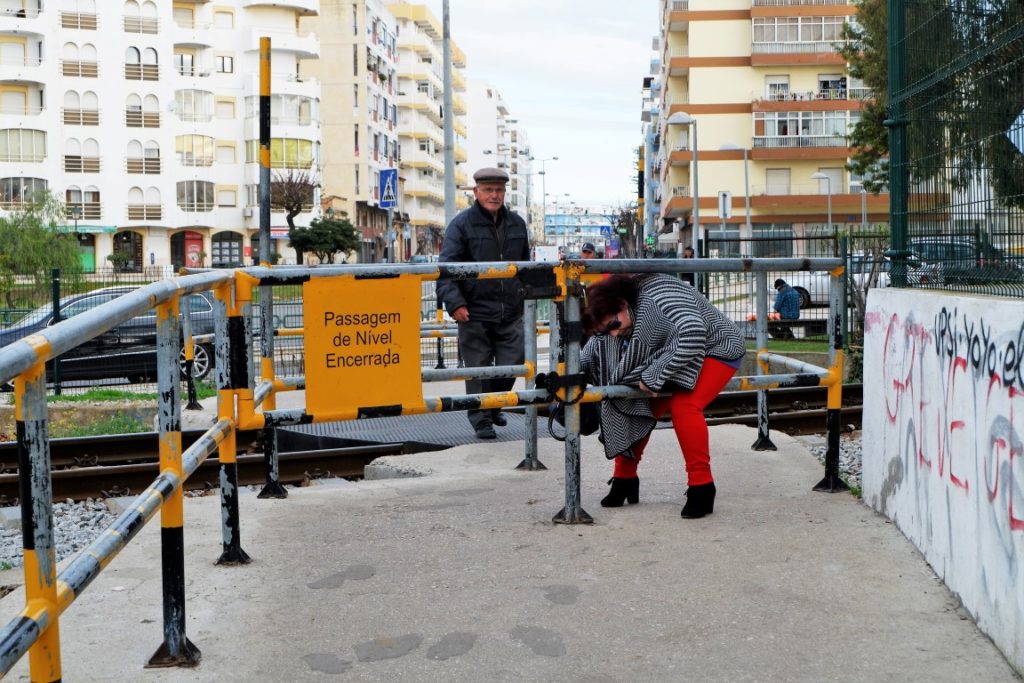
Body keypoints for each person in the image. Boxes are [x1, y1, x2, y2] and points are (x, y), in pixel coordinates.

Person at [581, 274, 745, 519]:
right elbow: (595, 347)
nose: (613, 335)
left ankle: (702, 487)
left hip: (716, 347)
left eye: (614, 326)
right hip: (672, 354)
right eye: (606, 331)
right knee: (635, 403)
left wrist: (656, 373)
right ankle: (624, 480)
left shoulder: (659, 295)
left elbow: (692, 334)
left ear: (623, 305)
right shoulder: (618, 315)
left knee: (685, 406)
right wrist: (570, 372)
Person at [437, 167, 531, 439]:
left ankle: (492, 406)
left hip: (510, 310)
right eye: (488, 190)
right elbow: (446, 267)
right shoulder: (461, 224)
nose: (494, 195)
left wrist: (525, 298)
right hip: (473, 311)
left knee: (512, 362)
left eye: (499, 190)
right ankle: (481, 419)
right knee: (478, 368)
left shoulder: (517, 224)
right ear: (476, 192)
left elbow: (524, 266)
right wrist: (455, 303)